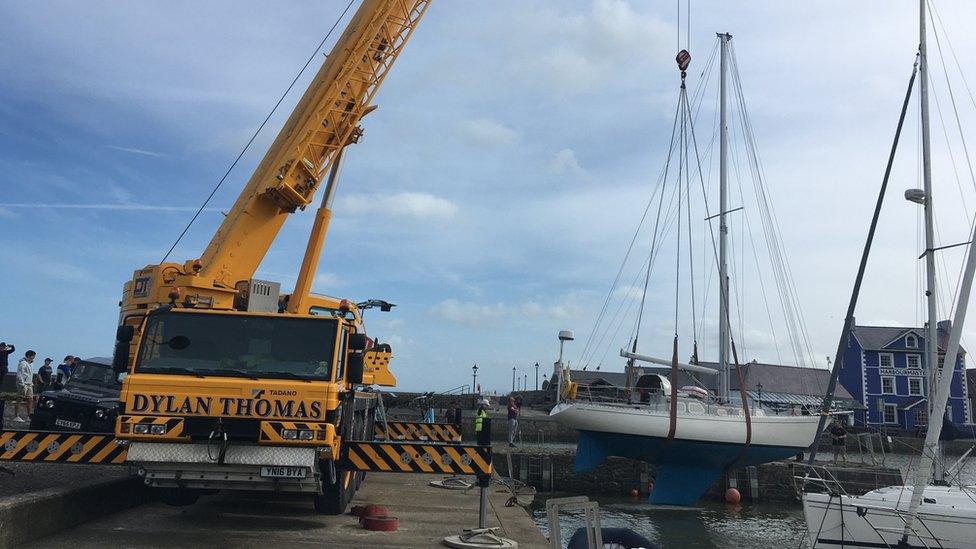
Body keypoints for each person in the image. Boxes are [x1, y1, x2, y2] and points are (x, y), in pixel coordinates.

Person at [14, 350, 36, 422]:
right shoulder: (23, 363)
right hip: (23, 384)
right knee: (20, 399)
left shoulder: (31, 364)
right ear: (29, 356)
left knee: (30, 399)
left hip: (29, 384)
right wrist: (22, 384)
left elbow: (30, 374)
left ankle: (28, 416)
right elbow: (19, 374)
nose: (34, 357)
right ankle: (16, 416)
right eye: (33, 356)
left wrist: (31, 382)